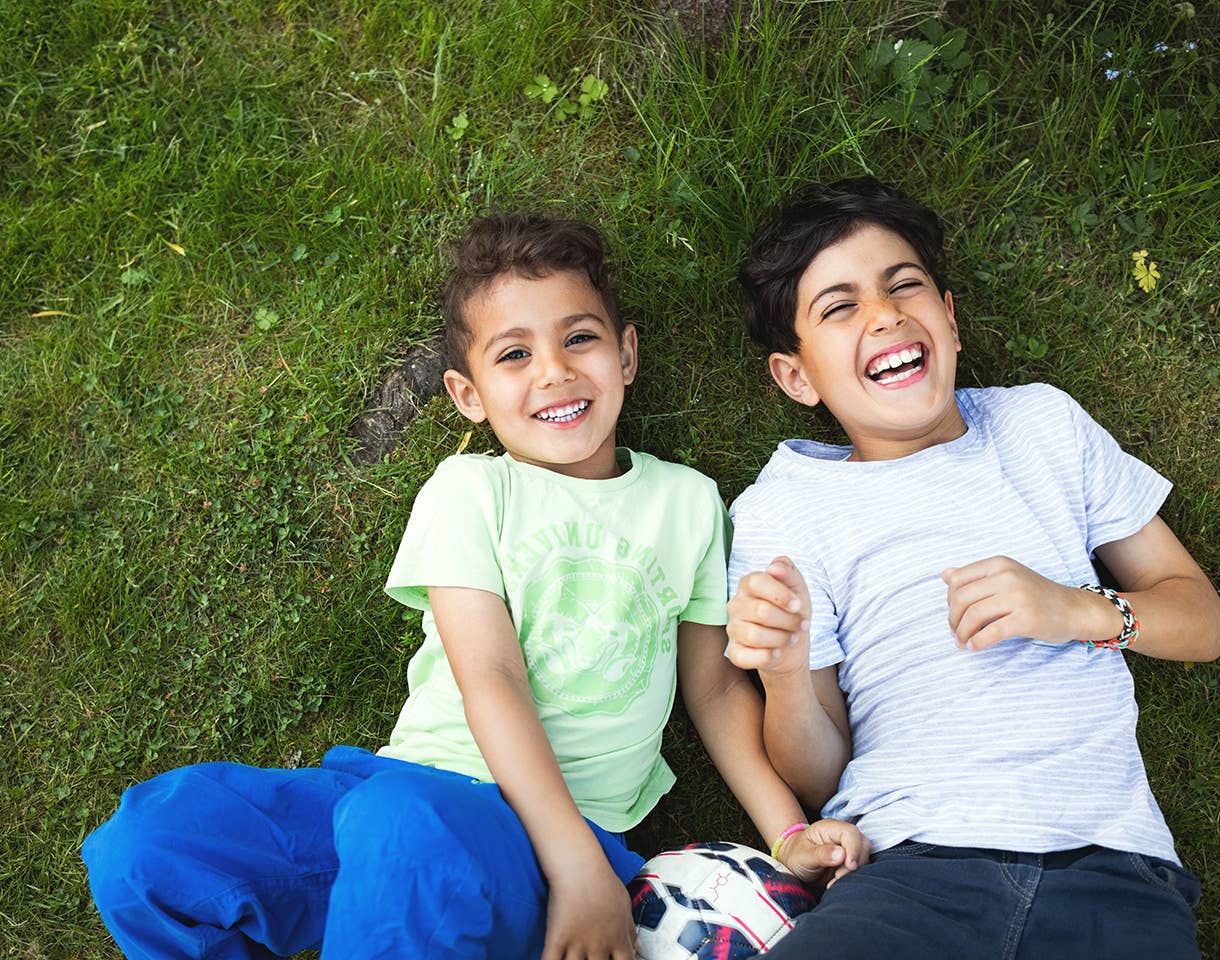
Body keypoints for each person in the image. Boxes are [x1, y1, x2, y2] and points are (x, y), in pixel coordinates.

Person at [81, 212, 869, 960]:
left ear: (626, 355)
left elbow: (717, 696)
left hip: (534, 847)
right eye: (515, 355)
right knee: (144, 846)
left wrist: (785, 832)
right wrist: (578, 869)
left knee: (403, 829)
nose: (555, 372)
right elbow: (486, 675)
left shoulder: (689, 503)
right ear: (468, 395)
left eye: (580, 339)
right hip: (393, 794)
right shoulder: (468, 490)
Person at [724, 176, 1220, 960]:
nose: (885, 314)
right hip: (907, 872)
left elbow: (1205, 621)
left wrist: (1075, 610)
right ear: (797, 377)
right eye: (841, 306)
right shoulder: (784, 509)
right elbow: (821, 779)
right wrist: (789, 677)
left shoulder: (1040, 425)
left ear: (950, 322)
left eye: (904, 287)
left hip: (1112, 870)